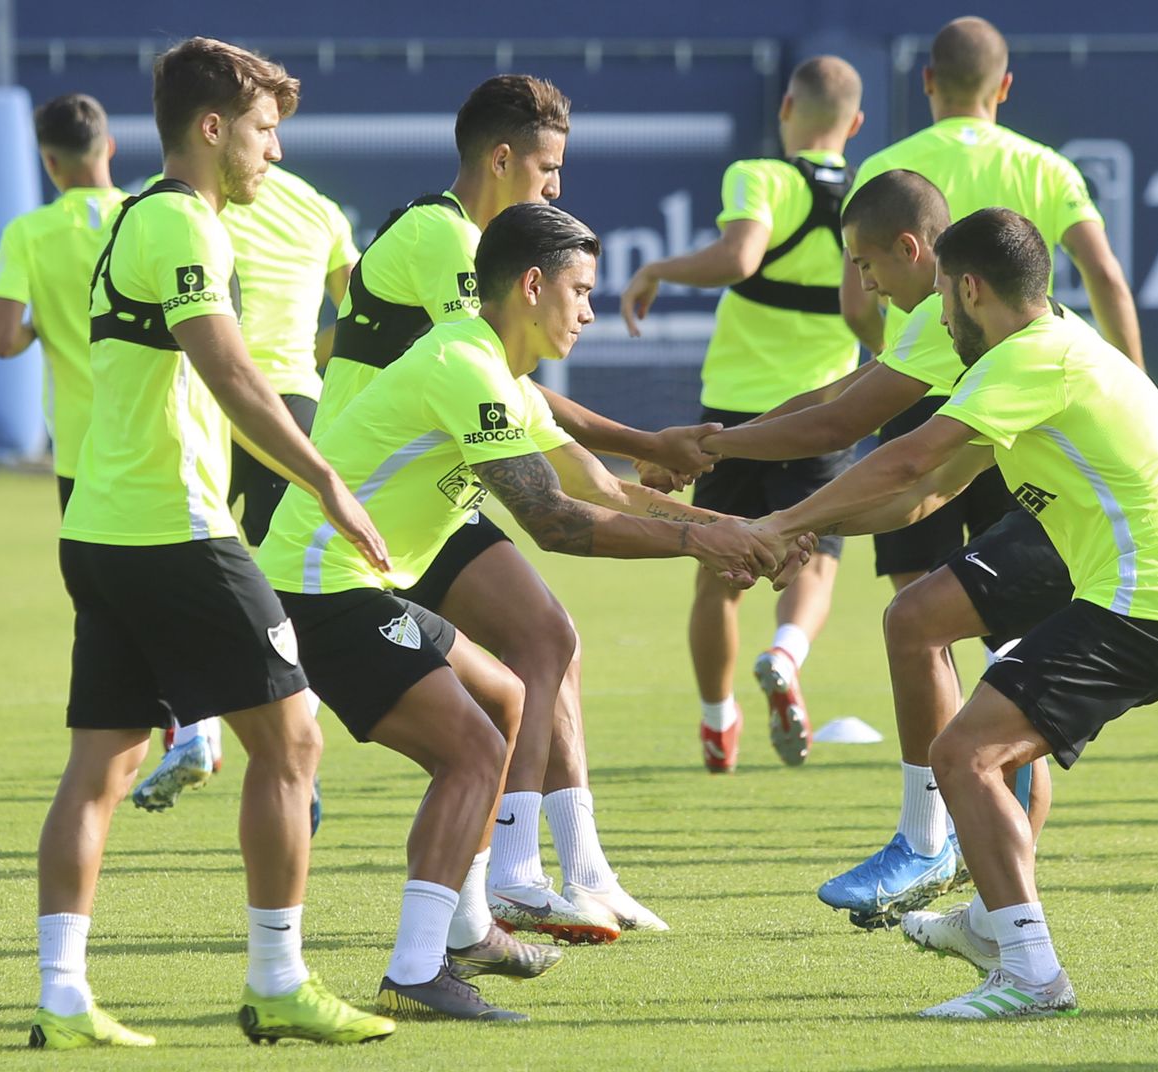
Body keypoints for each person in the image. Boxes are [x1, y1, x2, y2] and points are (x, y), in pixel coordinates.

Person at [259, 202, 805, 1020]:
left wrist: (736, 531)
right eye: (581, 291)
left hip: (355, 582)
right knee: (474, 751)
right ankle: (416, 969)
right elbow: (555, 522)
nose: (588, 311)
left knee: (508, 700)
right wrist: (701, 547)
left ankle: (470, 926)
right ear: (532, 284)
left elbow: (603, 486)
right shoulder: (462, 365)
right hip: (323, 588)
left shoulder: (498, 372)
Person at [750, 207, 1158, 1018]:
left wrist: (778, 524)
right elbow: (924, 493)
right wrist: (812, 527)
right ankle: (988, 925)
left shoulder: (1032, 357)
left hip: (1143, 612)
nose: (935, 313)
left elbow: (904, 457)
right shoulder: (1047, 350)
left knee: (963, 754)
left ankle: (1033, 976)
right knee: (979, 753)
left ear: (968, 288)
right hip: (1149, 607)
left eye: (940, 293)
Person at [31, 36, 394, 1049]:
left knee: (102, 763)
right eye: (264, 130)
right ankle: (277, 979)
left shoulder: (154, 218)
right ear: (211, 127)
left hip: (100, 526)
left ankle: (61, 996)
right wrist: (324, 478)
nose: (272, 153)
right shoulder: (180, 222)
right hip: (170, 532)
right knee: (293, 740)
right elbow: (234, 373)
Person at [323, 74, 709, 939]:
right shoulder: (440, 237)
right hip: (374, 499)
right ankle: (512, 871)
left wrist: (649, 453)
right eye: (546, 166)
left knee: (550, 640)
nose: (556, 186)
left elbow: (514, 398)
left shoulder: (466, 250)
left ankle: (581, 870)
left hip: (427, 487)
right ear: (501, 159)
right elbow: (497, 379)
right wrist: (649, 451)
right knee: (540, 641)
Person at [805, 14, 1149, 921]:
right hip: (1043, 420)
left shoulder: (905, 164)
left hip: (964, 403)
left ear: (927, 83)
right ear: (1004, 88)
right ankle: (985, 882)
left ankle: (942, 852)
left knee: (927, 627)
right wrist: (1134, 394)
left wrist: (896, 357)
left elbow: (861, 291)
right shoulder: (1047, 166)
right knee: (994, 652)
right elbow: (1105, 277)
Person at [619, 56, 865, 773]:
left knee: (719, 574)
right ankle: (786, 655)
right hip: (824, 410)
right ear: (853, 124)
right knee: (813, 560)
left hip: (735, 415)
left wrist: (659, 268)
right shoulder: (869, 196)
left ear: (787, 107)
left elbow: (741, 255)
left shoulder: (762, 176)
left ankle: (717, 723)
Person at [130, 163, 360, 811]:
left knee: (180, 574)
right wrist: (315, 351)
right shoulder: (321, 206)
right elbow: (367, 313)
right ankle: (297, 736)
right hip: (293, 409)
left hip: (209, 403)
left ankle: (194, 730)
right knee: (298, 591)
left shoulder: (166, 198)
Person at [0, 93, 127, 511]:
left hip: (80, 440)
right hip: (155, 432)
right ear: (109, 146)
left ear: (49, 161)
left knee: (92, 574)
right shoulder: (144, 217)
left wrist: (42, 324)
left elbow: (2, 341)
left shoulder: (28, 233)